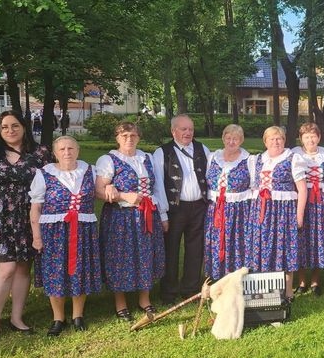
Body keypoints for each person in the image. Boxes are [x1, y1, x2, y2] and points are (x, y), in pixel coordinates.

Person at [0, 111, 52, 345]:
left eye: (15, 125)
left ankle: (17, 317)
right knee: (6, 268)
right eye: (4, 127)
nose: (10, 130)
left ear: (24, 127)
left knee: (22, 268)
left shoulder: (40, 153)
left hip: (29, 216)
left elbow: (52, 183)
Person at [95, 122, 167, 322]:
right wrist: (124, 196)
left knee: (146, 254)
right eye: (124, 135)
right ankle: (120, 302)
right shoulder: (108, 160)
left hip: (148, 214)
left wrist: (163, 215)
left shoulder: (147, 158)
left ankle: (144, 299)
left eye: (133, 135)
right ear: (117, 138)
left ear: (139, 137)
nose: (129, 139)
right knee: (120, 256)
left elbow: (157, 189)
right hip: (121, 217)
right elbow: (98, 190)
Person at [29, 136, 101, 335]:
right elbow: (35, 208)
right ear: (55, 153)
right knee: (55, 273)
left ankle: (78, 315)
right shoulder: (44, 174)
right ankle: (58, 318)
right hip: (54, 232)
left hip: (83, 229)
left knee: (81, 270)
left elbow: (104, 189)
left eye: (71, 148)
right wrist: (37, 237)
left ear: (78, 150)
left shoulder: (90, 171)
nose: (67, 152)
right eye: (62, 149)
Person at [245, 126, 307, 302]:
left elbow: (302, 190)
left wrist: (299, 215)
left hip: (284, 211)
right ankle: (266, 288)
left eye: (279, 138)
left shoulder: (292, 159)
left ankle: (288, 290)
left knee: (285, 247)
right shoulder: (257, 160)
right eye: (271, 139)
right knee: (263, 246)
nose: (275, 142)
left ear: (284, 140)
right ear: (265, 142)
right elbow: (253, 187)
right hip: (261, 210)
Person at [153, 115, 210, 305]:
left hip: (199, 207)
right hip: (174, 208)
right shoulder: (162, 152)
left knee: (195, 249)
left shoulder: (203, 149)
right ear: (173, 131)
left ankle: (190, 290)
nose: (188, 133)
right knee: (171, 249)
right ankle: (168, 292)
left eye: (190, 129)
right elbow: (158, 185)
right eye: (183, 129)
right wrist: (162, 213)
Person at [204, 124, 253, 280]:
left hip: (239, 210)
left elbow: (254, 187)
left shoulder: (248, 160)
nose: (231, 141)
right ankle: (216, 277)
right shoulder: (212, 157)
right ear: (223, 138)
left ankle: (236, 278)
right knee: (216, 241)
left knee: (237, 242)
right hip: (215, 209)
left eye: (236, 139)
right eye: (229, 137)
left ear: (241, 140)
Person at [292, 122, 324, 295]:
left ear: (319, 137)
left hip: (321, 201)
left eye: (313, 136)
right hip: (300, 199)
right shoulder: (294, 154)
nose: (310, 139)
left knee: (318, 238)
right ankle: (301, 280)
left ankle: (315, 280)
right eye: (306, 136)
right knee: (300, 237)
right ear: (301, 139)